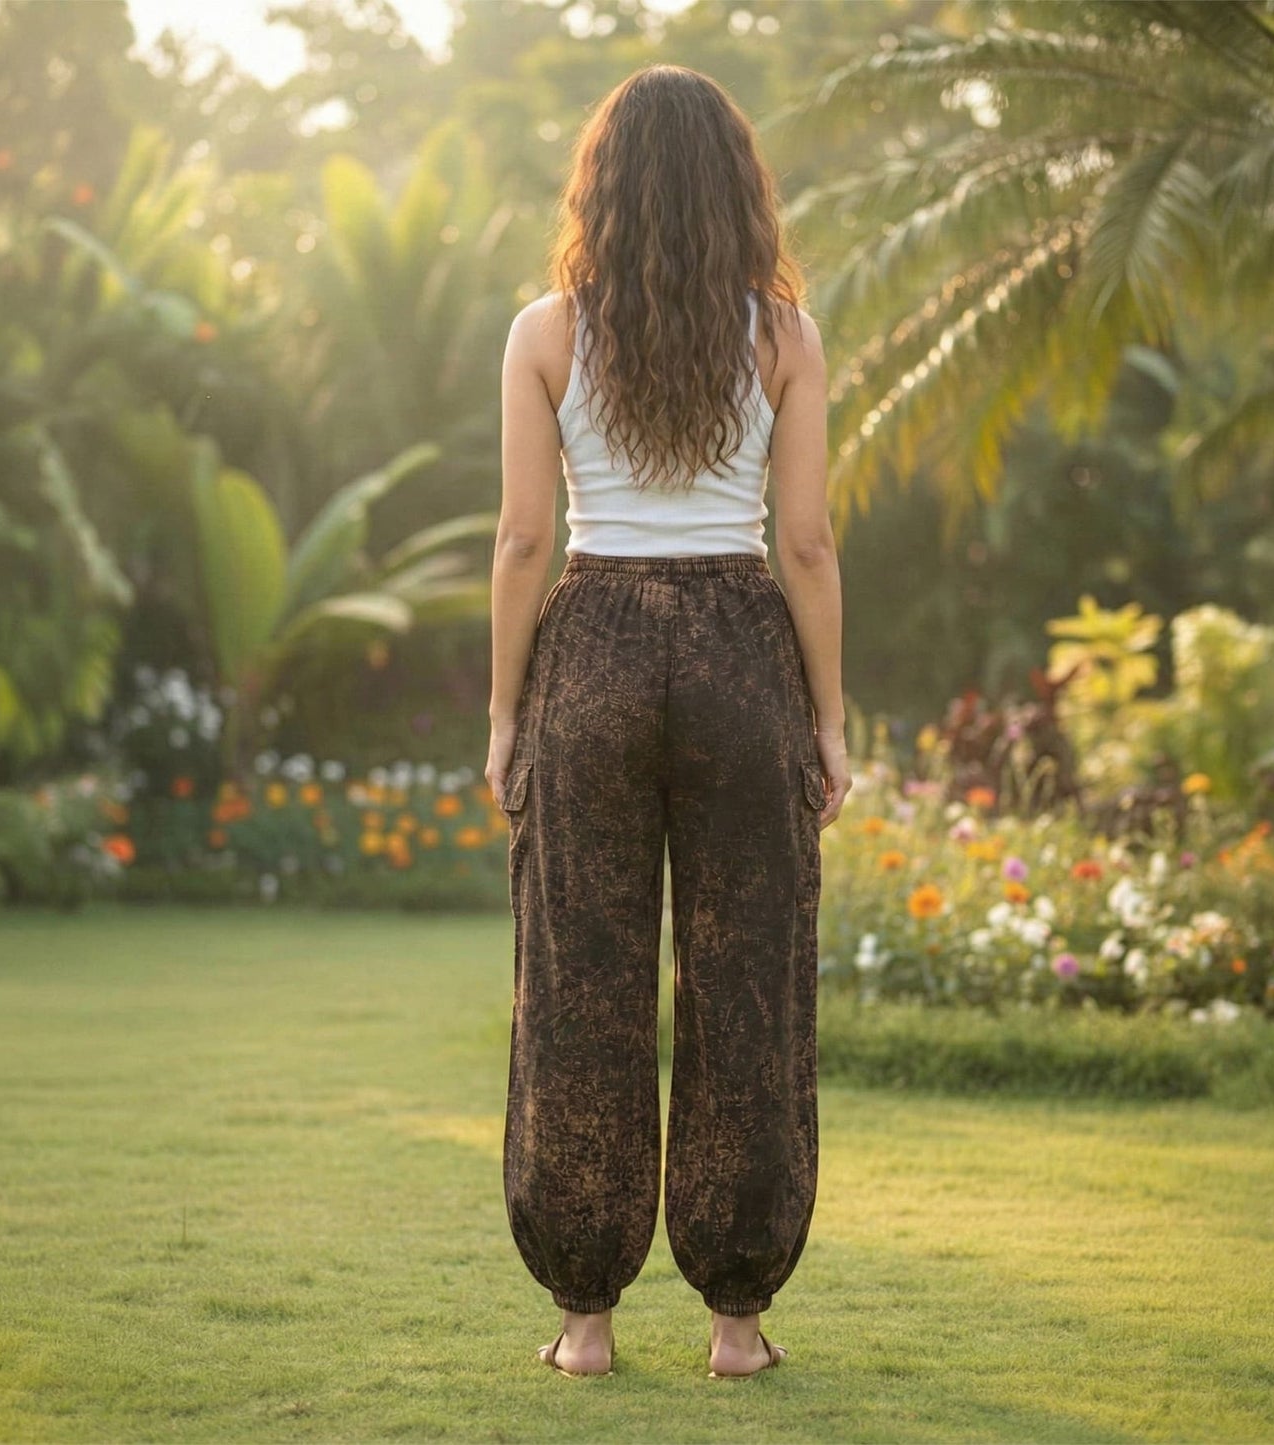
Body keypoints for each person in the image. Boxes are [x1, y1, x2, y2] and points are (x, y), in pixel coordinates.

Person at [486, 62, 848, 1382]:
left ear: (604, 186)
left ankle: (585, 1323)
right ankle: (736, 1323)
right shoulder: (784, 338)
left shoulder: (544, 330)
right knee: (744, 985)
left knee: (579, 989)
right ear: (736, 191)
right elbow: (802, 544)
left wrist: (500, 712)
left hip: (587, 650)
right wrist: (828, 718)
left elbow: (526, 538)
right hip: (741, 648)